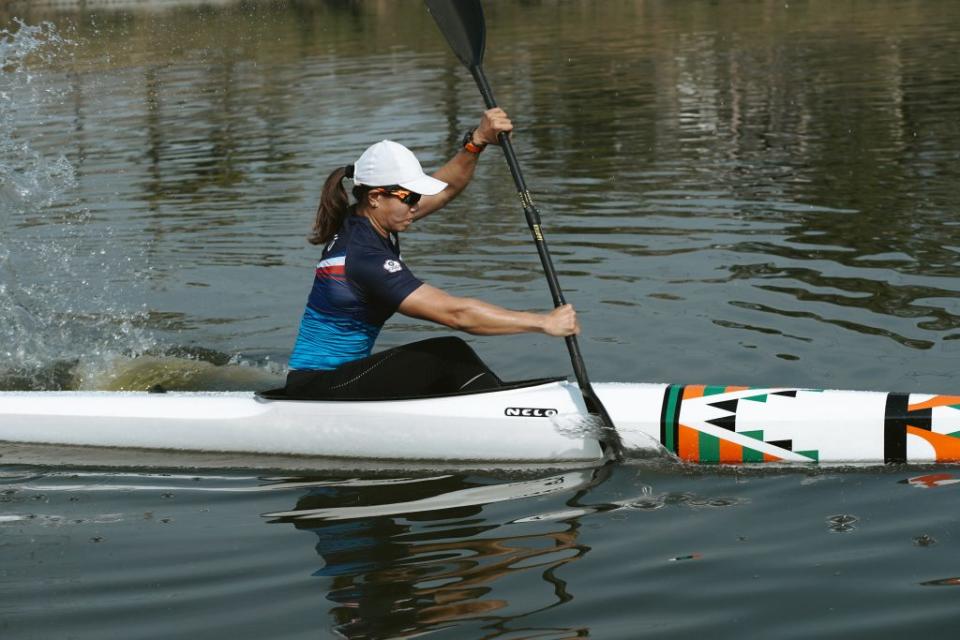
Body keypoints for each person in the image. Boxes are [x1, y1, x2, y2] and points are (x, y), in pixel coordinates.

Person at [284, 108, 579, 400]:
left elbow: (445, 190)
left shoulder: (368, 219)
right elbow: (458, 315)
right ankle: (506, 414)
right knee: (447, 353)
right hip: (317, 388)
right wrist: (542, 322)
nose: (416, 205)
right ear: (375, 197)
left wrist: (477, 141)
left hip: (344, 377)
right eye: (410, 197)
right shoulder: (365, 257)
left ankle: (497, 406)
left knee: (447, 358)